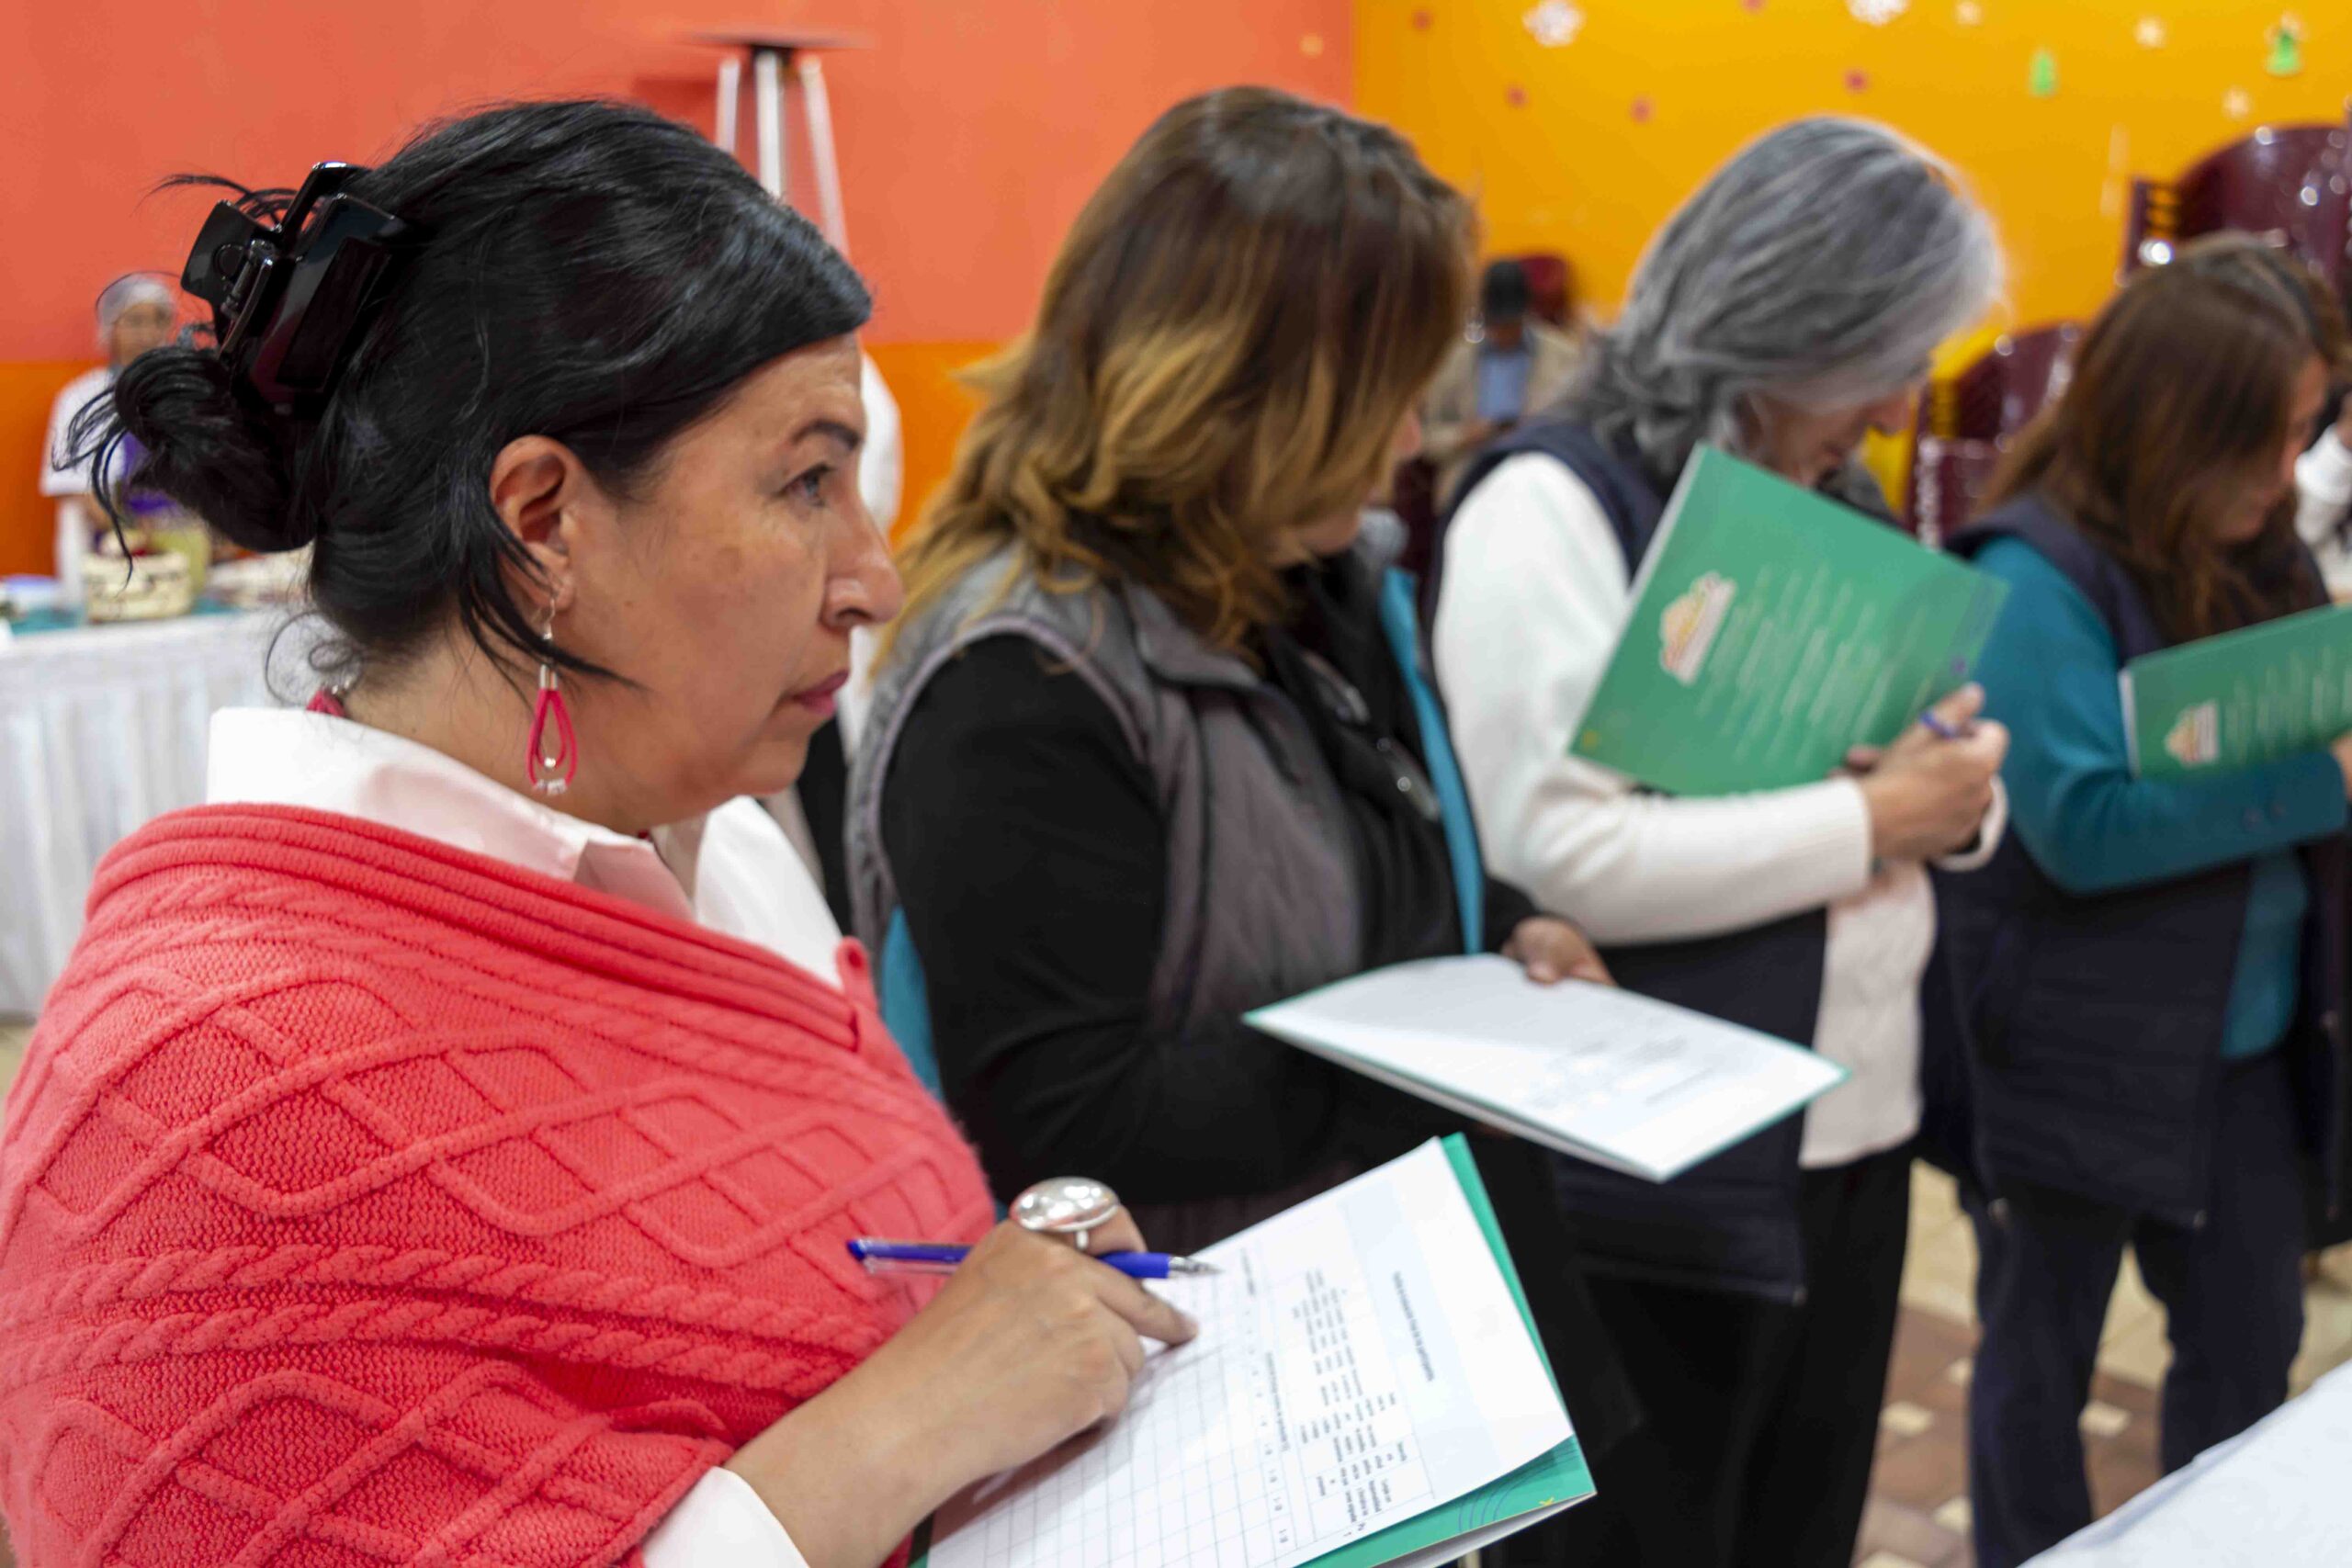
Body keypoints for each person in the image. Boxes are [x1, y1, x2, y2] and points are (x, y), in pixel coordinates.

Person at [0, 101, 1198, 1568]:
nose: (874, 579)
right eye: (807, 481)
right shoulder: (203, 1097)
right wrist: (907, 1424)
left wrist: (1011, 1303)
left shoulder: (718, 839)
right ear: (543, 520)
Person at [844, 87, 1671, 1562]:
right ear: (1240, 395)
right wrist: (1417, 1056)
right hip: (1225, 1420)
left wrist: (1505, 920)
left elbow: (1365, 847)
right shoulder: (1022, 678)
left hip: (1425, 1325)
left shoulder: (1312, 572)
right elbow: (1059, 1116)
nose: (1411, 442)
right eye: (1382, 399)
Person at [1430, 118, 2009, 1568]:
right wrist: (1869, 818)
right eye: (1884, 361)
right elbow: (1558, 846)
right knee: (1647, 1532)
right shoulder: (1555, 501)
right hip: (1651, 1166)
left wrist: (1953, 789)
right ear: (1787, 323)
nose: (1898, 408)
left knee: (1801, 1521)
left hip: (1852, 1126)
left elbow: (1911, 759)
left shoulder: (1835, 498)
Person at [1937, 235, 2352, 1568]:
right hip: (2070, 1053)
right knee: (2036, 1374)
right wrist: (2323, 778)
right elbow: (2085, 828)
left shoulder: (2259, 546)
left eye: (2307, 432)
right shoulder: (2032, 573)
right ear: (2173, 424)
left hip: (2251, 1052)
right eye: (2266, 438)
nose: (2288, 472)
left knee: (2247, 1362)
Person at [40, 272, 177, 605]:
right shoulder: (81, 398)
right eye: (135, 321)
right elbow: (78, 490)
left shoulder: (182, 396)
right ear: (109, 328)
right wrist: (143, 534)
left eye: (158, 320)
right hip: (107, 571)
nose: (148, 333)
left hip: (181, 565)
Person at [1419, 257, 1582, 505]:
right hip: (1469, 473)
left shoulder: (1564, 355)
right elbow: (1426, 439)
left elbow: (1580, 428)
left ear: (1527, 313)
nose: (1504, 333)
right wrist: (1463, 436)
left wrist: (1536, 430)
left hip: (1540, 470)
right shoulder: (1454, 361)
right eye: (1497, 324)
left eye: (1512, 324)